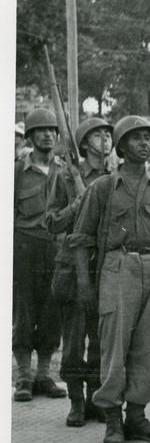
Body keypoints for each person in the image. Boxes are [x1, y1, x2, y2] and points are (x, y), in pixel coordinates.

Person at [71, 115, 150, 443]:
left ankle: (137, 416)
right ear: (120, 147)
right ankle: (113, 420)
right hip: (117, 267)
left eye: (148, 138)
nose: (144, 144)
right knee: (114, 349)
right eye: (136, 138)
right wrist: (86, 285)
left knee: (148, 351)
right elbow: (81, 239)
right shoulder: (102, 188)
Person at [45, 117, 114, 426]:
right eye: (97, 135)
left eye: (107, 134)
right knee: (74, 340)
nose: (105, 140)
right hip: (72, 266)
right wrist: (77, 203)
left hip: (105, 264)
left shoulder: (115, 176)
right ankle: (75, 400)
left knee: (101, 339)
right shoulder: (64, 176)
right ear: (84, 143)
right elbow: (51, 222)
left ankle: (95, 398)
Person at [13, 108, 67, 402]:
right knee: (23, 312)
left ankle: (44, 375)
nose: (48, 135)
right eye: (41, 130)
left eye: (52, 130)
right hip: (24, 248)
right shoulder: (16, 173)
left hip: (56, 250)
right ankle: (23, 375)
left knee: (51, 312)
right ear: (31, 137)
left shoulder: (66, 172)